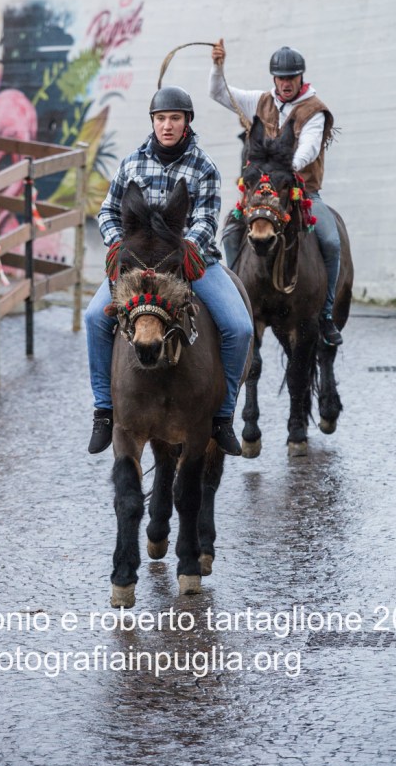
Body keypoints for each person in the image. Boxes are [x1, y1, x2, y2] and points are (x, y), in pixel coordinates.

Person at [85, 85, 253, 456]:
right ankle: (104, 411)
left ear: (187, 122)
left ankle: (223, 416)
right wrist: (118, 245)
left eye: (175, 118)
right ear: (153, 121)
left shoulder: (204, 167)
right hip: (136, 267)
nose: (167, 125)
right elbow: (108, 211)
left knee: (239, 328)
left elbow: (207, 218)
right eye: (161, 118)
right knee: (94, 317)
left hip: (190, 262)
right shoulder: (131, 163)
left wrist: (183, 249)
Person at [209, 40, 343, 347]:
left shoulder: (314, 110)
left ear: (301, 77)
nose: (286, 83)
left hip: (301, 192)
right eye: (281, 78)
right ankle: (238, 301)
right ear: (274, 78)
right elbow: (218, 93)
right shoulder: (260, 101)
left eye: (291, 77)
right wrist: (218, 66)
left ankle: (325, 313)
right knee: (229, 234)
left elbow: (309, 147)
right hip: (258, 196)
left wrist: (286, 168)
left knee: (331, 242)